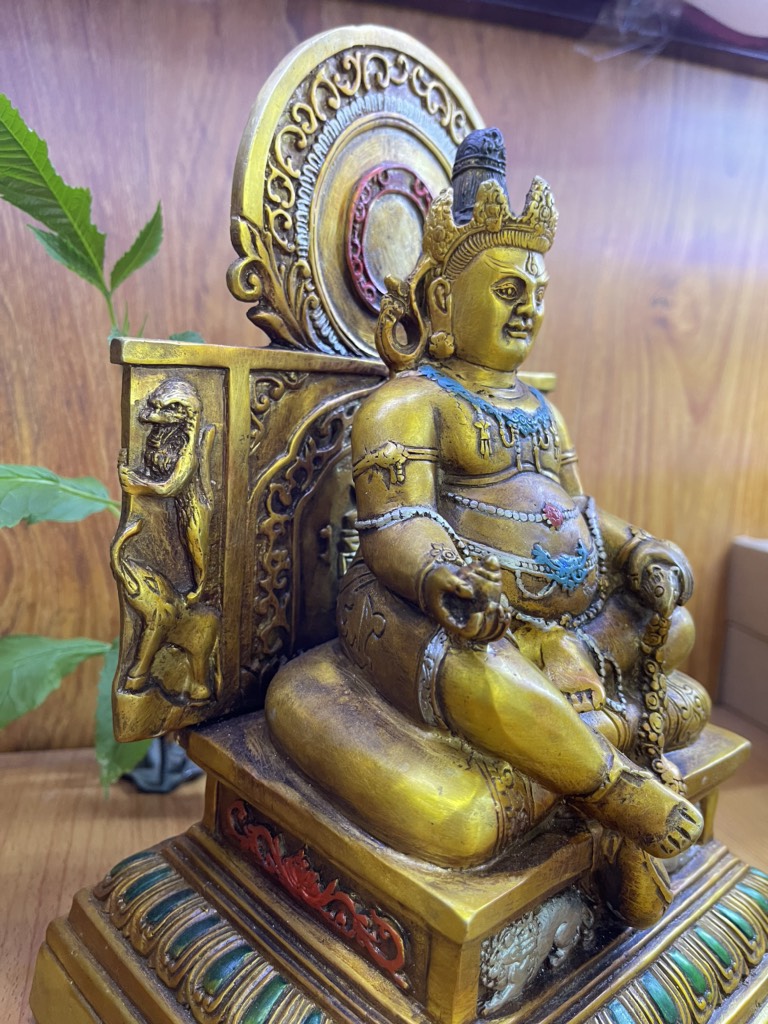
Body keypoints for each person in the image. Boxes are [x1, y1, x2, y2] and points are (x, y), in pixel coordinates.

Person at [343, 128, 708, 867]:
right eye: (508, 290)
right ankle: (612, 786)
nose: (529, 311)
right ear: (444, 297)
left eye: (538, 295)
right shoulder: (409, 404)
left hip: (567, 628)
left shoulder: (541, 411)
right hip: (448, 613)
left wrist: (638, 551)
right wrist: (443, 577)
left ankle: (567, 735)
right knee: (475, 668)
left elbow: (577, 513)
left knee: (675, 626)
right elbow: (397, 523)